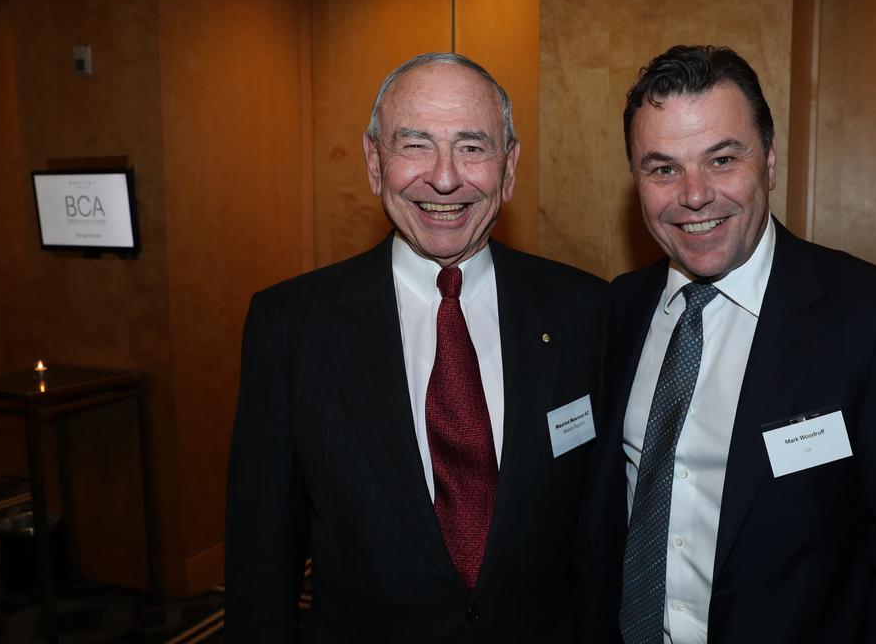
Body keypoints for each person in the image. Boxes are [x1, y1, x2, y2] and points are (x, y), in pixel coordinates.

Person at [581, 45, 876, 643]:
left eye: (721, 160)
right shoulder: (620, 309)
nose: (693, 195)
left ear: (767, 161)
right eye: (663, 168)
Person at [226, 52, 608, 642]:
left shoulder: (587, 311)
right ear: (374, 163)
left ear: (508, 169)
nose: (446, 177)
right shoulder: (290, 326)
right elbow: (261, 564)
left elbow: (601, 537)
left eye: (473, 146)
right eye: (415, 145)